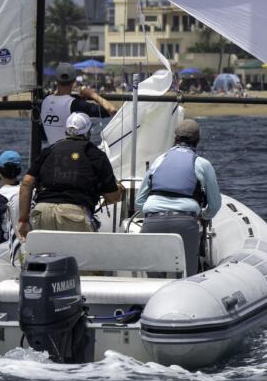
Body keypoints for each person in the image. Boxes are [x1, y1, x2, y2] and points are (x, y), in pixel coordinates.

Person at [134, 119, 222, 275]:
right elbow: (214, 205)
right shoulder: (202, 163)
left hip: (152, 221)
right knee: (187, 275)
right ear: (198, 140)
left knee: (154, 276)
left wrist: (152, 214)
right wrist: (202, 215)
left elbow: (140, 201)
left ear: (175, 138)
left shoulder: (159, 161)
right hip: (185, 222)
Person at [17, 112, 122, 239]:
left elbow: (27, 183)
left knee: (46, 257)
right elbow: (113, 197)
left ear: (66, 131)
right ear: (88, 132)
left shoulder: (49, 150)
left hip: (42, 212)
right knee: (84, 257)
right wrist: (116, 190)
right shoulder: (95, 155)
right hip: (74, 214)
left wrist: (23, 220)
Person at [39, 62, 116, 144]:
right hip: (70, 153)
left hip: (51, 152)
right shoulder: (75, 104)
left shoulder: (45, 101)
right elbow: (111, 110)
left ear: (56, 80)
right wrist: (92, 94)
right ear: (74, 80)